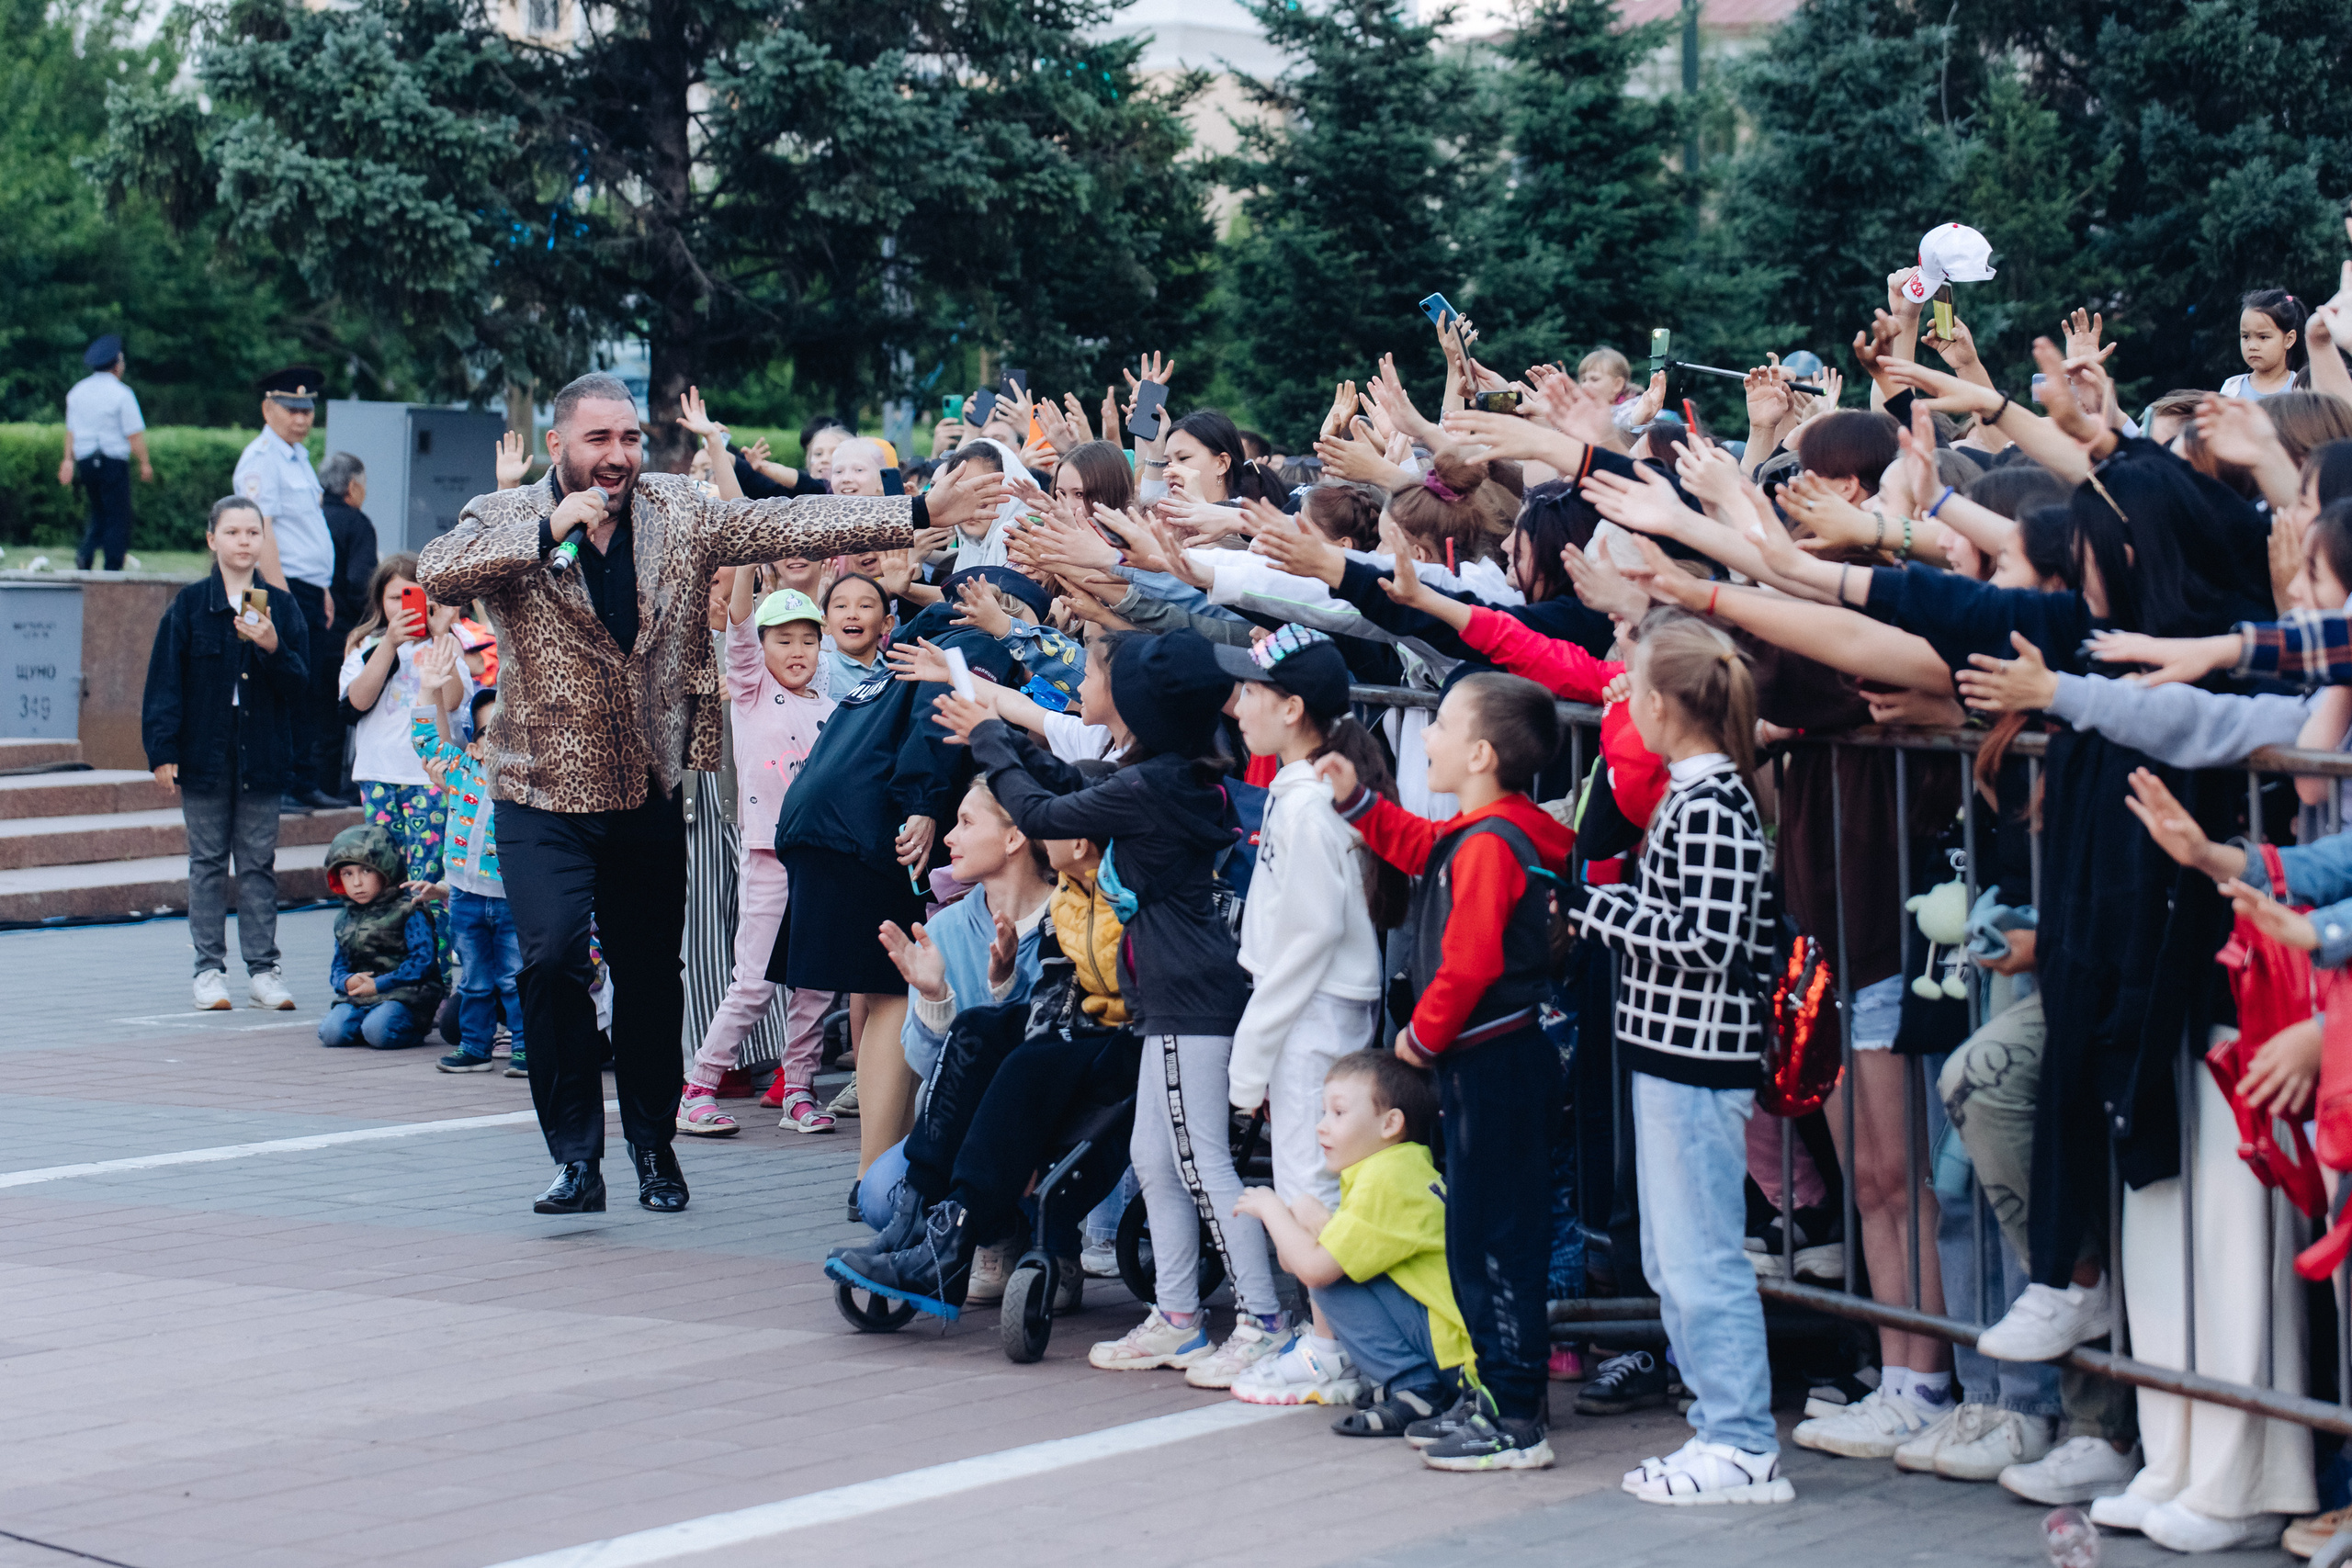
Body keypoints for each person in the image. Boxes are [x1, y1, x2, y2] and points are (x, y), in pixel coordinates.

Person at [415, 370, 1002, 1217]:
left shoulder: (676, 510)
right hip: (538, 788)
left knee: (652, 975)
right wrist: (548, 529)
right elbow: (441, 570)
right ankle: (576, 1158)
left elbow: (783, 519)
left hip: (646, 789)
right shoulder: (507, 516)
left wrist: (916, 514)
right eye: (598, 440)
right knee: (549, 962)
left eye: (628, 439)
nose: (618, 456)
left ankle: (654, 1146)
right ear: (558, 445)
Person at [1563, 613, 1792, 1505]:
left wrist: (1595, 911)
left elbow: (1708, 940)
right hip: (1668, 1050)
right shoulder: (1699, 797)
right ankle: (1719, 1428)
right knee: (1676, 1258)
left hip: (1699, 1057)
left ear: (1663, 706)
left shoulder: (1708, 802)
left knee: (1700, 1260)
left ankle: (1737, 1437)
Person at [1318, 671, 1573, 1472]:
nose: (1423, 736)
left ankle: (1515, 1413)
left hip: (1492, 1059)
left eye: (1438, 725)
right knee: (1479, 1235)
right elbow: (1422, 845)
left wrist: (1420, 1040)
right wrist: (1360, 802)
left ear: (1482, 752)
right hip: (1488, 1062)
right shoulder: (1487, 829)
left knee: (1496, 1242)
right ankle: (1495, 1391)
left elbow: (1468, 963)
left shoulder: (1495, 842)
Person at [1217, 627, 1391, 1401]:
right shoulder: (1306, 792)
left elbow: (1311, 933)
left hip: (1313, 1013)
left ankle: (1332, 1345)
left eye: (1251, 692)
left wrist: (1251, 1052)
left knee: (1311, 1179)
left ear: (1292, 708)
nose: (1238, 705)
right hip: (1312, 1008)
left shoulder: (1309, 804)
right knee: (1308, 1173)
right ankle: (1331, 1339)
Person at [1232, 1050, 1471, 1436]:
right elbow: (1305, 1261)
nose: (1321, 1127)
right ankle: (1416, 1384)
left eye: (1338, 1114)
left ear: (1390, 1123)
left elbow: (1312, 1268)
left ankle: (1416, 1387)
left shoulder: (1386, 1178)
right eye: (1324, 1113)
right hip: (1457, 1346)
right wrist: (1313, 1222)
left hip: (1457, 1356)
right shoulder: (1398, 1167)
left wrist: (1271, 1207)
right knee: (1327, 1259)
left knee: (1328, 1276)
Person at [678, 585, 837, 1136]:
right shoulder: (748, 689)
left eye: (808, 640)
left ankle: (799, 1091)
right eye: (784, 639)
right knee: (753, 982)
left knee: (816, 984)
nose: (797, 651)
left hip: (822, 859)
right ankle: (698, 1088)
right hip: (769, 855)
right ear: (762, 646)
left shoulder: (837, 710)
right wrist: (745, 555)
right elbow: (739, 628)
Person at [141, 496, 309, 1012]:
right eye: (232, 533)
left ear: (263, 540)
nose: (243, 542)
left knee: (258, 864)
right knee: (207, 863)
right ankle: (209, 970)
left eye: (252, 533)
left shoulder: (280, 604)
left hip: (261, 753)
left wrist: (273, 646)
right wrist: (161, 750)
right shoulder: (190, 606)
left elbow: (302, 686)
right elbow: (165, 683)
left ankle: (264, 970)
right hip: (203, 753)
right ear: (212, 540)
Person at [340, 556, 469, 987]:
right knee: (381, 876)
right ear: (381, 601)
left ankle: (435, 976)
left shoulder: (448, 644)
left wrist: (439, 637)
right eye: (397, 597)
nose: (406, 606)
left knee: (427, 880)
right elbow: (356, 701)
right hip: (378, 776)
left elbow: (451, 701)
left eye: (415, 595)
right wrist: (390, 644)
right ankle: (388, 971)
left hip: (429, 778)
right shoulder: (364, 646)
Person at [232, 366, 347, 813]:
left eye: (307, 408)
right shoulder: (262, 458)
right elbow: (262, 531)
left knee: (309, 685)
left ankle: (303, 779)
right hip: (276, 587)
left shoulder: (296, 457)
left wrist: (322, 589)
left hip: (306, 588)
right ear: (267, 408)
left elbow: (309, 531)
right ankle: (275, 782)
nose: (301, 418)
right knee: (275, 684)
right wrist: (280, 595)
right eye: (291, 408)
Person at [412, 687, 523, 1074]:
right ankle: (475, 1047)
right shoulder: (461, 771)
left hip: (511, 897)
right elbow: (425, 740)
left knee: (513, 979)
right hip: (464, 895)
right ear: (474, 747)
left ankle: (525, 1048)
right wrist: (429, 686)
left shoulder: (528, 784)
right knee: (474, 979)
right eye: (491, 732)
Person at [317, 824, 445, 1050]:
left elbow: (422, 963)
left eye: (366, 871)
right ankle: (366, 1024)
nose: (356, 883)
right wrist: (345, 981)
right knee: (331, 1033)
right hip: (359, 996)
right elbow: (338, 964)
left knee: (378, 1032)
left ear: (386, 870)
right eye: (347, 874)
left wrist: (379, 984)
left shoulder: (409, 910)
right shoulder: (344, 918)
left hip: (405, 995)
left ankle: (409, 1029)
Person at [59, 333, 152, 571]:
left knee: (98, 510)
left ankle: (85, 553)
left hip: (86, 459)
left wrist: (67, 460)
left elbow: (71, 430)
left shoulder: (77, 391)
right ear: (116, 364)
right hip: (112, 460)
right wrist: (144, 463)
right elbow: (134, 435)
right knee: (118, 515)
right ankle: (112, 565)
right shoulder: (122, 394)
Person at [318, 452, 383, 641]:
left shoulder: (312, 517)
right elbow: (361, 582)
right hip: (343, 630)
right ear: (353, 486)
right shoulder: (357, 524)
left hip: (310, 619)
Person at [2220, 289, 2308, 400]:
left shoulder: (2301, 390)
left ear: (2289, 339)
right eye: (2246, 337)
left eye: (2263, 337)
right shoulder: (2231, 389)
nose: (2252, 346)